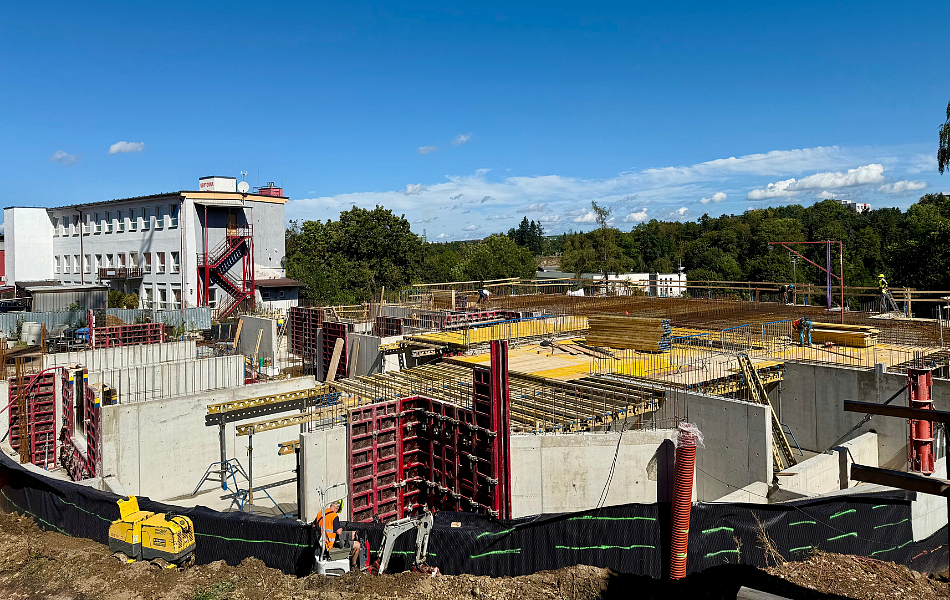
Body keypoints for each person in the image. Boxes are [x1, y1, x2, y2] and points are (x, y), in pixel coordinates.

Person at [315, 501, 361, 569]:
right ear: (337, 508)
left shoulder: (321, 513)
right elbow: (339, 532)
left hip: (323, 541)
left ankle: (350, 552)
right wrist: (341, 528)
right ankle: (353, 566)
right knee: (357, 545)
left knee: (353, 534)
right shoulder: (334, 516)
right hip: (329, 545)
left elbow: (314, 525)